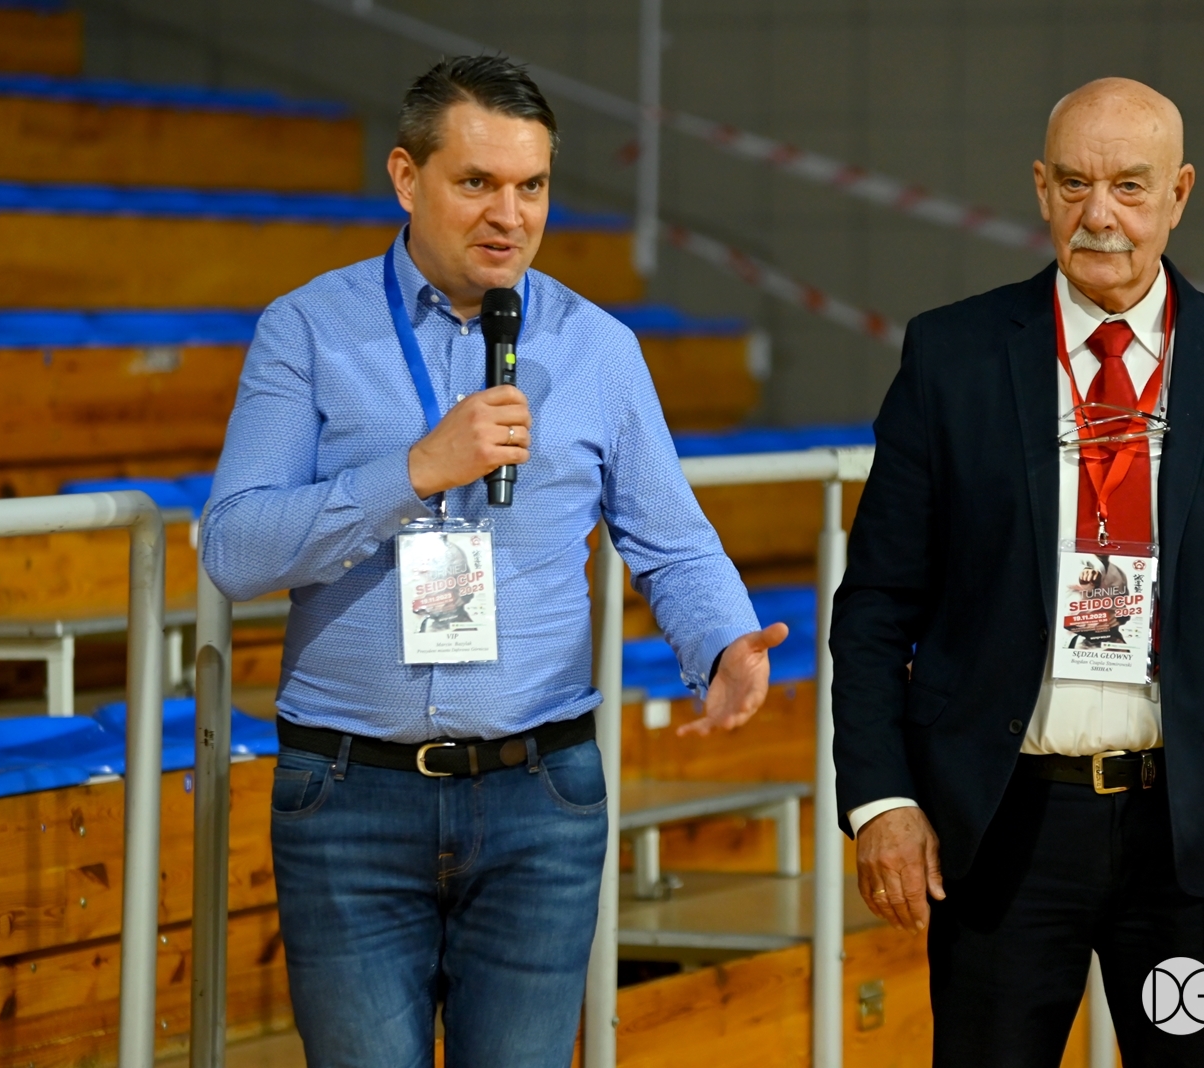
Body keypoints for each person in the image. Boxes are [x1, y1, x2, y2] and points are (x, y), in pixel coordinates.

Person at [201, 55, 787, 1068]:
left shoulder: (599, 348)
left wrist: (723, 641)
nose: (509, 216)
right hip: (348, 794)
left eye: (532, 186)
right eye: (476, 182)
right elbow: (234, 547)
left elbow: (672, 539)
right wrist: (413, 472)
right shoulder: (309, 330)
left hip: (539, 798)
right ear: (406, 176)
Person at [831, 77, 1204, 1066]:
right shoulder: (952, 356)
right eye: (1073, 184)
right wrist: (882, 801)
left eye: (1129, 187)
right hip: (1000, 830)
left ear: (1179, 193)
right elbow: (876, 606)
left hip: (1192, 839)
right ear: (1039, 188)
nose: (1098, 214)